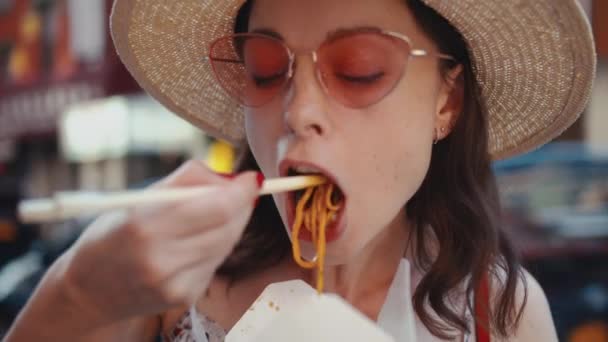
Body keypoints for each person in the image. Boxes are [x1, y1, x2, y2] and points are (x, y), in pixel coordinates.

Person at [5, 0, 596, 341]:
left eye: (360, 70)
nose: (298, 111)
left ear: (447, 100)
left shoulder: (497, 311)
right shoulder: (172, 285)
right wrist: (78, 295)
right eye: (266, 70)